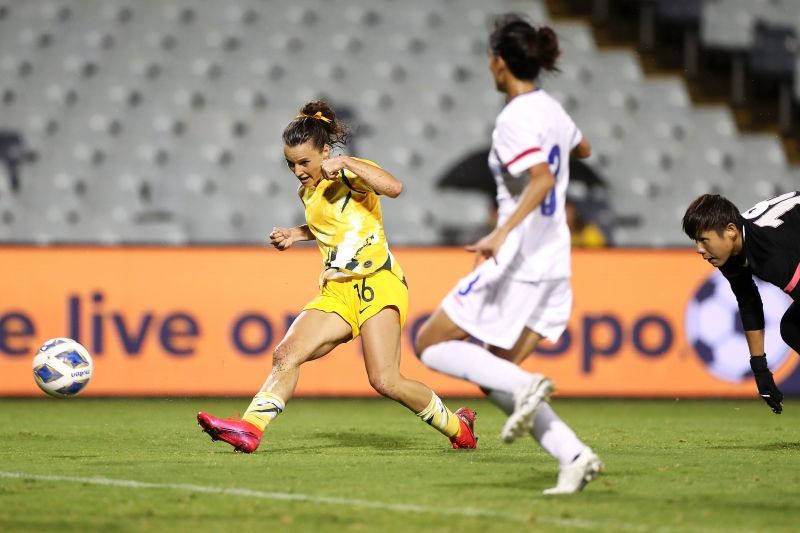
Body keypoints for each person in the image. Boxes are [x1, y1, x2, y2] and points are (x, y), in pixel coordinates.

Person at [196, 101, 477, 452]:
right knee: (286, 354)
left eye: (304, 162)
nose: (298, 171)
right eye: (291, 164)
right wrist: (295, 234)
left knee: (385, 380)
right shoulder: (308, 191)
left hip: (378, 282)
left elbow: (394, 188)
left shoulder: (348, 173)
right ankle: (250, 428)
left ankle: (458, 427)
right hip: (337, 291)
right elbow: (333, 227)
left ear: (324, 151)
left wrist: (345, 162)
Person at [413, 15, 602, 495]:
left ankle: (525, 387)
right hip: (556, 261)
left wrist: (501, 234)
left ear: (499, 63)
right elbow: (583, 147)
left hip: (518, 259)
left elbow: (539, 179)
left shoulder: (513, 120)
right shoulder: (550, 109)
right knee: (496, 373)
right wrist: (557, 144)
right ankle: (573, 455)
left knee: (430, 343)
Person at [682, 191, 800, 414]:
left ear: (731, 231)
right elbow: (748, 301)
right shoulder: (731, 251)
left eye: (703, 240)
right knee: (793, 328)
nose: (699, 249)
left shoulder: (770, 254)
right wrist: (760, 368)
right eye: (696, 241)